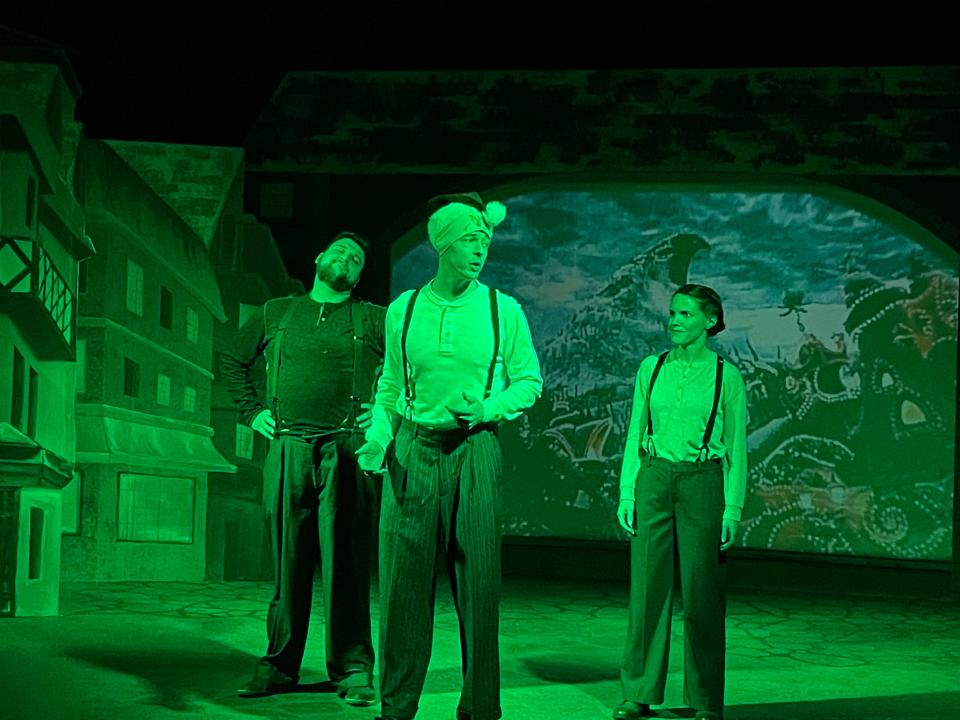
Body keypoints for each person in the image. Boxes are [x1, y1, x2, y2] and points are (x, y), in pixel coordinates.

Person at [357, 193, 543, 720]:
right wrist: (378, 438)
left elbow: (529, 382)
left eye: (484, 240)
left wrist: (486, 408)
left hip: (474, 451)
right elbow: (390, 385)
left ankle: (480, 707)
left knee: (479, 582)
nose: (479, 249)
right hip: (413, 448)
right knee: (400, 585)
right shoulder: (406, 309)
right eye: (468, 240)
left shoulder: (501, 309)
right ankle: (395, 706)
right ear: (443, 245)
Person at [221, 231, 385, 706]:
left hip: (347, 452)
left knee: (346, 566)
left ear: (359, 275)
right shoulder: (276, 312)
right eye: (339, 250)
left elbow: (407, 368)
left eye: (356, 258)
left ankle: (353, 669)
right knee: (288, 565)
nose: (347, 259)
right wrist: (251, 412)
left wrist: (385, 412)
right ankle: (278, 666)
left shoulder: (374, 320)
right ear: (317, 259)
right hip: (289, 448)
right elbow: (233, 361)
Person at [613, 284, 747, 720]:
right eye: (673, 312)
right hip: (654, 478)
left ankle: (705, 700)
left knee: (702, 594)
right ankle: (638, 691)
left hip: (702, 481)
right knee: (647, 592)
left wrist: (732, 508)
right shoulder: (651, 368)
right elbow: (634, 433)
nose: (675, 320)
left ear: (710, 320)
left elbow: (738, 448)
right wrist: (627, 491)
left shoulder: (726, 375)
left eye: (686, 314)